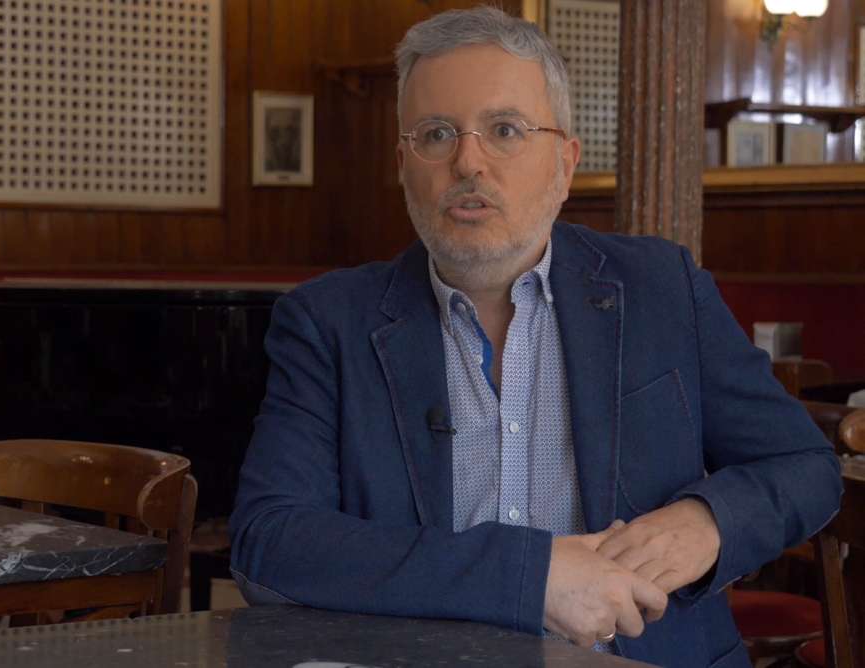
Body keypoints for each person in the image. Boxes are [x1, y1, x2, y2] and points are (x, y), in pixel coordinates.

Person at [229, 7, 841, 667]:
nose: (468, 160)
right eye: (436, 134)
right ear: (404, 164)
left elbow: (806, 469)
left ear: (565, 161)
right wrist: (531, 576)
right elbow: (271, 542)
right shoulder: (327, 322)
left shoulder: (663, 290)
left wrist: (708, 522)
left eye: (505, 130)